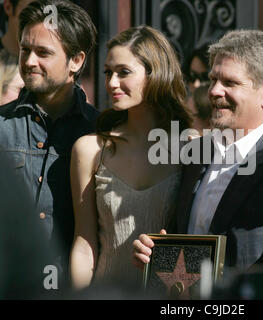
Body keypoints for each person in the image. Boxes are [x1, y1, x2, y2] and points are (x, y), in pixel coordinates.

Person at [133, 29, 263, 273]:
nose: (213, 91)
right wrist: (155, 255)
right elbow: (186, 242)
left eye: (229, 83)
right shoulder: (195, 152)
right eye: (213, 79)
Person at [69, 25, 191, 291]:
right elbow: (84, 241)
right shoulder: (90, 149)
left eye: (124, 72)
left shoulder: (190, 148)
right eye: (108, 73)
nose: (112, 83)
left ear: (155, 74)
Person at [0, 0, 98, 292]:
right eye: (25, 50)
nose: (29, 61)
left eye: (43, 53)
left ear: (76, 61)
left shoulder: (100, 133)